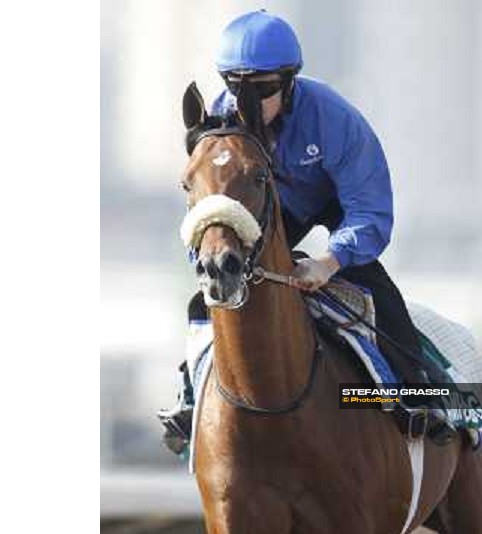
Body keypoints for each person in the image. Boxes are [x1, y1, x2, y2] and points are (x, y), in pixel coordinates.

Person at [159, 10, 447, 454]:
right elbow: (210, 209)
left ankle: (423, 391)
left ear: (290, 82)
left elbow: (370, 212)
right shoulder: (217, 121)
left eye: (264, 90)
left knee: (377, 288)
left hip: (333, 202)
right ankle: (190, 396)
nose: (246, 103)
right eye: (237, 88)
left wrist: (330, 262)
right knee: (207, 295)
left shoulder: (334, 120)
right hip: (266, 209)